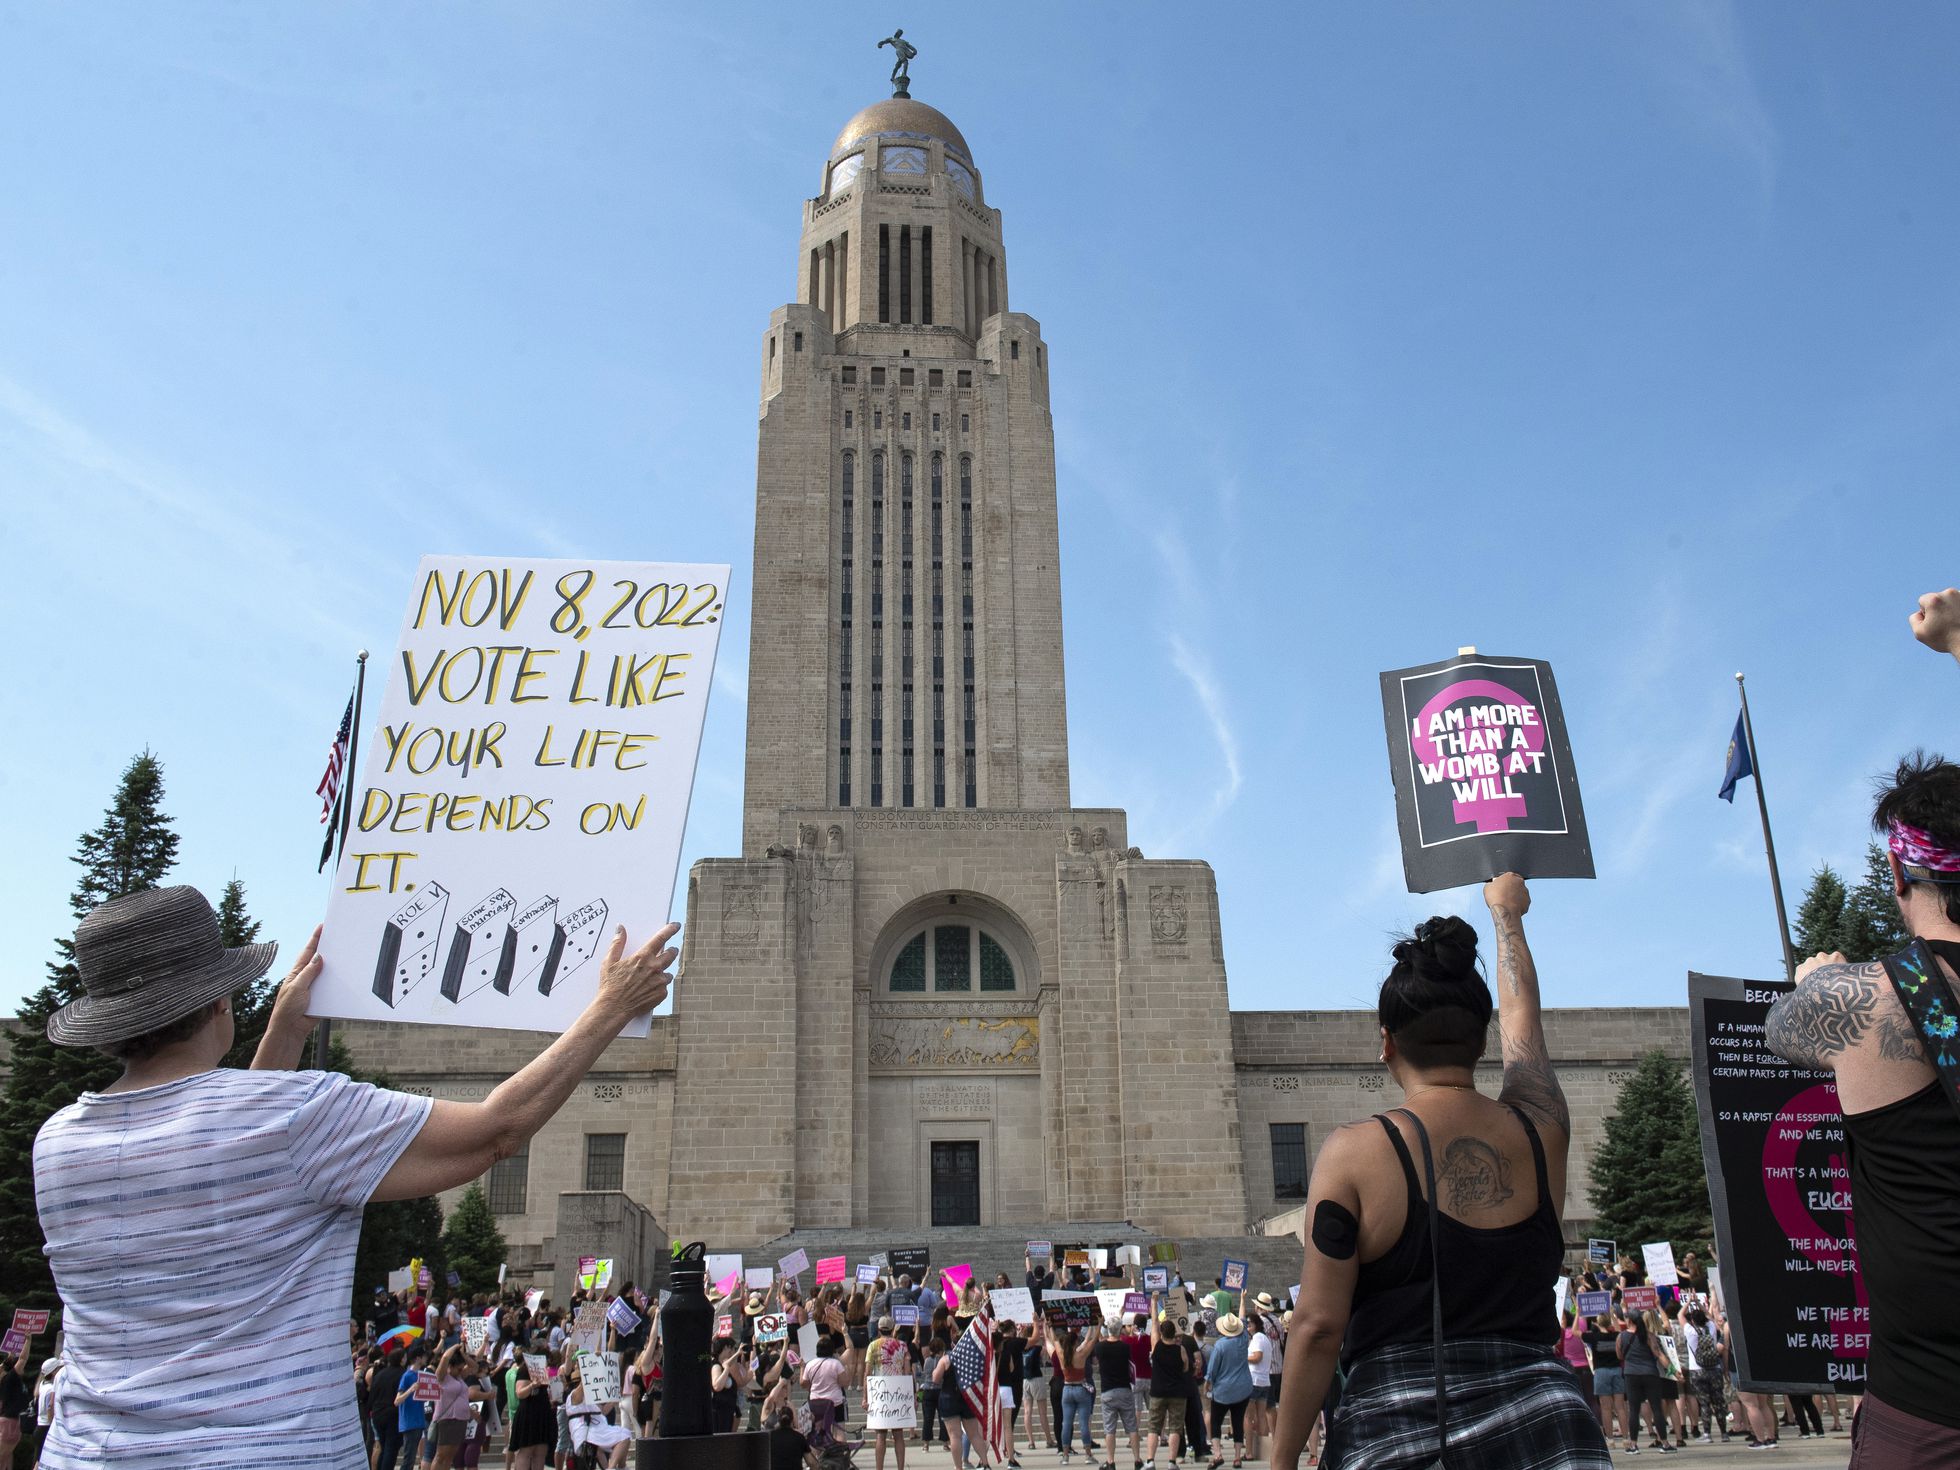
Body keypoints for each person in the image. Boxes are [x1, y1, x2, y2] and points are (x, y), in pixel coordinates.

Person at [29, 883, 679, 1469]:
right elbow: (496, 1130)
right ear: (220, 1001)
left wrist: (283, 1032)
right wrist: (610, 1008)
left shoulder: (57, 1143)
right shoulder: (297, 1114)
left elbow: (225, 1162)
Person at [1270, 877, 1610, 1470]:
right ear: (1483, 1040)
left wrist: (1281, 1461)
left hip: (1400, 1430)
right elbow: (1524, 1018)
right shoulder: (1542, 1127)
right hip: (1551, 1431)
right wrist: (1508, 917)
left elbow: (1320, 1326)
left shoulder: (1354, 1153)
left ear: (1386, 1042)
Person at [1763, 749, 1960, 1464]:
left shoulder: (1865, 998)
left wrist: (1825, 979)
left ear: (1901, 873)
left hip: (1929, 1403)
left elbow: (1781, 1029)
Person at [1205, 1313, 1255, 1469]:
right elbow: (1242, 1319)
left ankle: (1218, 1454)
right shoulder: (1244, 1340)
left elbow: (1213, 1369)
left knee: (1216, 1422)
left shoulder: (1220, 1345)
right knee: (1238, 1422)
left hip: (1223, 1390)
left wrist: (1208, 1382)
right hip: (1243, 1388)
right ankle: (1237, 1457)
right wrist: (1241, 1299)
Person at [1094, 1309, 1141, 1470]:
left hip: (1108, 1390)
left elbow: (1098, 1341)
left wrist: (1099, 1324)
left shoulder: (1100, 1348)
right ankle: (1137, 1460)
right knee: (1132, 1427)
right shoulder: (1125, 1347)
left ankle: (1111, 1461)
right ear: (1120, 1329)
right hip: (1125, 1388)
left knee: (1110, 1429)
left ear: (1108, 1329)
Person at [1616, 1311, 1669, 1453]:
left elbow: (1619, 1355)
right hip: (1650, 1373)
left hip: (1631, 1373)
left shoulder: (1621, 1336)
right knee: (1656, 1408)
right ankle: (1664, 1443)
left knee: (1633, 1410)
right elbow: (1658, 1353)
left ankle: (1633, 1445)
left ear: (1629, 1321)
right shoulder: (1649, 1335)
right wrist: (1672, 1370)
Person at [1143, 1314, 1188, 1469]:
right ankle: (1172, 1461)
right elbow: (1186, 1368)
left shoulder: (1156, 1346)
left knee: (1153, 1427)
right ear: (1174, 1333)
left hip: (1158, 1391)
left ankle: (1150, 1460)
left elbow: (1154, 1322)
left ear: (1161, 1333)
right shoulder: (1180, 1349)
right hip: (1177, 1392)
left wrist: (1154, 1302)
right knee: (1175, 1427)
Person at [1056, 1320, 1097, 1463]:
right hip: (1081, 1388)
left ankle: (1065, 1455)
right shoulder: (1081, 1355)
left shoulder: (1062, 1355)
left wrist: (1048, 1326)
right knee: (1084, 1423)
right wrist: (1097, 1325)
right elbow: (1093, 1340)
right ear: (1075, 1344)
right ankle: (1088, 1455)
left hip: (1067, 1389)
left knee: (1066, 1423)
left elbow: (1053, 1340)